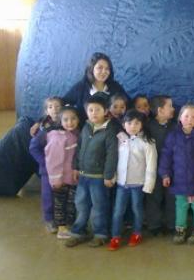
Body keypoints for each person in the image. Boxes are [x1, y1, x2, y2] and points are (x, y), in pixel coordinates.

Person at [158, 104, 194, 245]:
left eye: (193, 116)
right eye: (186, 116)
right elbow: (166, 156)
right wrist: (165, 174)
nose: (189, 119)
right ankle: (180, 229)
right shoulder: (173, 136)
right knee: (181, 205)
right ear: (180, 118)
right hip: (179, 180)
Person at [65, 94, 118, 248]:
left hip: (99, 178)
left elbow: (112, 156)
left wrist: (108, 176)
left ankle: (100, 233)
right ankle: (78, 232)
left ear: (106, 111)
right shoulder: (86, 127)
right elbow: (79, 148)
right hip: (83, 176)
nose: (93, 113)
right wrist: (76, 167)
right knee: (81, 204)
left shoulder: (109, 131)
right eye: (90, 110)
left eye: (97, 110)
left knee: (99, 206)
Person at [108, 110, 157, 251]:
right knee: (118, 211)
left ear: (142, 124)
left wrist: (148, 185)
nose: (133, 126)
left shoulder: (147, 142)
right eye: (129, 123)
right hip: (122, 184)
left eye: (137, 123)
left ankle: (137, 233)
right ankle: (115, 236)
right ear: (124, 124)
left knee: (137, 209)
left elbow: (151, 165)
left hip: (138, 184)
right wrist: (112, 177)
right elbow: (114, 160)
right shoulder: (120, 139)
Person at [28, 96, 64, 233]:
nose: (54, 110)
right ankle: (49, 219)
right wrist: (45, 163)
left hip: (63, 169)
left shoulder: (67, 124)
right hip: (48, 170)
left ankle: (63, 219)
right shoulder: (44, 129)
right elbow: (33, 148)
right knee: (48, 195)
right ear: (46, 111)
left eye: (57, 106)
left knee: (63, 194)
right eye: (50, 107)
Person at [44, 106, 80, 240]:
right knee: (60, 204)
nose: (70, 122)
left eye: (73, 119)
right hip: (61, 181)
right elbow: (53, 161)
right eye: (66, 119)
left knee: (71, 203)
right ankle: (62, 228)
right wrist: (56, 180)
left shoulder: (74, 134)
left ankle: (69, 226)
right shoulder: (57, 137)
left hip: (72, 178)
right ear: (60, 120)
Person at [63, 52, 129, 122]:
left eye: (107, 68)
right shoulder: (81, 87)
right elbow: (63, 103)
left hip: (113, 129)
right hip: (86, 130)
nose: (104, 71)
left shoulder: (115, 87)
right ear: (91, 69)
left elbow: (129, 104)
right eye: (100, 68)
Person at [145, 95, 176, 236]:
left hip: (172, 170)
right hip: (153, 170)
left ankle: (172, 224)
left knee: (172, 198)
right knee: (153, 198)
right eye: (170, 106)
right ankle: (154, 225)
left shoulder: (175, 127)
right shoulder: (148, 127)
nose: (173, 109)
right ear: (160, 110)